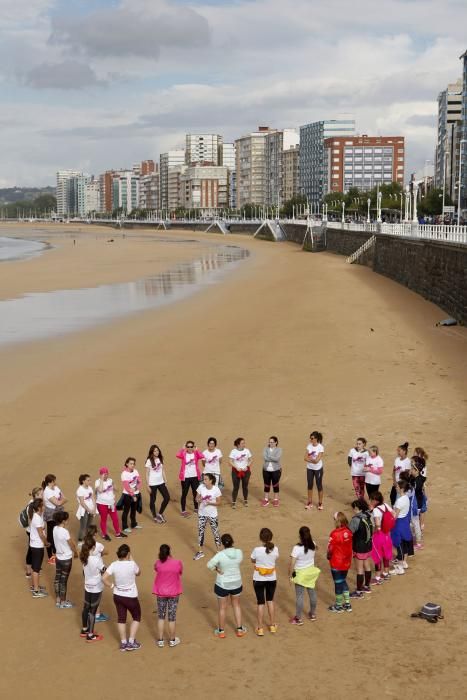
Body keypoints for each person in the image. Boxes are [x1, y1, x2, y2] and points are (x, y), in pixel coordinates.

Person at [103, 544, 142, 652]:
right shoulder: (132, 564)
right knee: (136, 617)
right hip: (131, 597)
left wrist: (111, 586)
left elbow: (104, 578)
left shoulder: (114, 565)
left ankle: (124, 643)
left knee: (121, 619)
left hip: (118, 596)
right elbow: (138, 573)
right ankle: (131, 641)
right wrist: (131, 557)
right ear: (128, 554)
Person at [207, 533, 246, 638]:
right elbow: (239, 561)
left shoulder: (220, 555)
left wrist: (217, 569)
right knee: (236, 605)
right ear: (232, 541)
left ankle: (221, 631)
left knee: (222, 608)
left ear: (222, 544)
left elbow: (209, 564)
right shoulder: (239, 552)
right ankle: (239, 629)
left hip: (222, 584)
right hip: (236, 583)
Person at [152, 544, 183, 648]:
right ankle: (172, 640)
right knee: (172, 618)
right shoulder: (177, 563)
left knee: (161, 617)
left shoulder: (158, 563)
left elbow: (156, 569)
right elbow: (180, 572)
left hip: (161, 593)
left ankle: (160, 640)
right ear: (169, 552)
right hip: (173, 593)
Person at [288, 526, 320, 625]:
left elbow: (292, 563)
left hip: (300, 575)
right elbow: (316, 548)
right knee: (312, 593)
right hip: (310, 573)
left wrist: (290, 575)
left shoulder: (296, 548)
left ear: (300, 536)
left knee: (300, 596)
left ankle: (298, 618)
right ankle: (313, 614)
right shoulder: (313, 544)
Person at [250, 528, 279, 636]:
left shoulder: (257, 550)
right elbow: (275, 558)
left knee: (260, 602)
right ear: (271, 537)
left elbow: (252, 560)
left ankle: (260, 628)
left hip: (258, 579)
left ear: (260, 538)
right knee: (270, 601)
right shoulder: (275, 549)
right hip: (272, 579)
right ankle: (272, 625)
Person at [80, 535, 105, 643]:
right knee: (92, 611)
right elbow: (104, 570)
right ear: (94, 547)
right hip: (96, 587)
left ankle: (84, 629)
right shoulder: (96, 560)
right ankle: (90, 635)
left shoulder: (83, 557)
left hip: (87, 585)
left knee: (86, 607)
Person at [327, 512, 353, 613]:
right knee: (343, 580)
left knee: (338, 583)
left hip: (336, 562)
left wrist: (329, 556)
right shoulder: (349, 532)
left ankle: (338, 605)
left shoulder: (334, 534)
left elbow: (330, 549)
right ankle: (347, 604)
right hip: (346, 562)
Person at [53, 511, 79, 608]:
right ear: (63, 521)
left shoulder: (55, 529)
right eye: (67, 519)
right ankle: (63, 602)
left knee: (57, 578)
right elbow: (71, 544)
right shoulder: (65, 532)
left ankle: (58, 600)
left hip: (58, 558)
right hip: (66, 559)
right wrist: (76, 552)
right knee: (63, 580)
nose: (68, 520)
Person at [348, 499, 374, 599]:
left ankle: (358, 592)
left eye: (354, 508)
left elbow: (350, 533)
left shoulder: (355, 520)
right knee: (367, 565)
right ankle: (367, 586)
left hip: (359, 547)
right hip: (368, 545)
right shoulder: (368, 516)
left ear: (358, 508)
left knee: (359, 569)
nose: (353, 510)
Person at [193, 473, 222, 561]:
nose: (204, 481)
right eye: (204, 479)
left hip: (212, 514)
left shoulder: (216, 489)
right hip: (202, 513)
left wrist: (210, 503)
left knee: (215, 532)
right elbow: (196, 499)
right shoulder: (201, 487)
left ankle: (218, 551)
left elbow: (219, 503)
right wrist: (200, 499)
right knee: (201, 532)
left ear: (211, 481)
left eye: (206, 479)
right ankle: (200, 552)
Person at [369, 492, 394, 584]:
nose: (370, 501)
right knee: (385, 554)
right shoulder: (386, 505)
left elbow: (377, 525)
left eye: (371, 499)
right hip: (387, 534)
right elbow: (394, 514)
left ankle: (378, 578)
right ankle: (386, 573)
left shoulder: (376, 511)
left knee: (377, 556)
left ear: (375, 501)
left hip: (378, 535)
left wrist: (373, 533)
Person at [389, 480, 413, 575]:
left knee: (399, 545)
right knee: (405, 544)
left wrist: (388, 511)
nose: (396, 488)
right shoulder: (406, 498)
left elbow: (395, 516)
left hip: (398, 524)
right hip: (404, 523)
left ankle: (400, 568)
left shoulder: (399, 501)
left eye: (397, 487)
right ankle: (403, 563)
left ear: (402, 489)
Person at [42, 474, 67, 564]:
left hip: (57, 513)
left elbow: (64, 498)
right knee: (51, 536)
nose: (55, 482)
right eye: (53, 481)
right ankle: (51, 556)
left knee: (56, 533)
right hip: (51, 515)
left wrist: (60, 501)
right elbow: (58, 503)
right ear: (49, 482)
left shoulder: (56, 488)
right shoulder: (47, 492)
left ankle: (56, 553)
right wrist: (61, 501)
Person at [95, 467, 125, 541]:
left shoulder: (110, 480)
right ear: (100, 475)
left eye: (107, 474)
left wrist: (114, 484)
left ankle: (118, 533)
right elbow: (100, 490)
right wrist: (102, 480)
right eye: (104, 474)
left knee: (115, 519)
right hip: (102, 504)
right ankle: (104, 534)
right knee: (104, 519)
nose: (106, 475)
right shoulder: (97, 482)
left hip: (111, 504)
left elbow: (116, 489)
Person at [176, 441, 204, 517]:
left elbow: (202, 456)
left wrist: (197, 450)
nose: (190, 448)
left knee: (195, 493)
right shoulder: (184, 454)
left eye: (191, 446)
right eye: (188, 446)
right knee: (184, 494)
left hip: (195, 477)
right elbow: (177, 455)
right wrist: (182, 449)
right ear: (186, 447)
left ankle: (196, 508)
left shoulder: (195, 454)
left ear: (193, 447)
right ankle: (183, 510)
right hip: (185, 477)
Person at [29, 498, 49, 598]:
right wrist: (46, 543)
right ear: (39, 508)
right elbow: (41, 534)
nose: (44, 507)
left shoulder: (37, 516)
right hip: (37, 546)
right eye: (43, 505)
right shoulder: (37, 518)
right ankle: (36, 591)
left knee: (35, 567)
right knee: (36, 568)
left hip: (35, 545)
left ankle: (34, 586)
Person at [145, 444, 170, 524]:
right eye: (155, 451)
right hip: (152, 484)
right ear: (152, 452)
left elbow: (162, 470)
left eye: (157, 450)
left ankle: (159, 513)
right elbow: (147, 473)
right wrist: (147, 485)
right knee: (153, 500)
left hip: (161, 482)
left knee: (167, 497)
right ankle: (155, 516)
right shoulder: (149, 461)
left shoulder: (160, 459)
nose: (156, 452)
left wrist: (165, 480)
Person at [21, 486, 43, 579]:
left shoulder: (37, 502)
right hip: (32, 531)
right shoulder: (31, 505)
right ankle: (28, 570)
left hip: (35, 530)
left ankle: (35, 566)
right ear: (37, 495)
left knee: (33, 549)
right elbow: (31, 521)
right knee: (31, 549)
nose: (43, 495)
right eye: (41, 494)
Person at [229, 437, 253, 508]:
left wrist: (247, 466)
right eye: (242, 443)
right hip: (236, 471)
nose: (244, 444)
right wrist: (236, 467)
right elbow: (230, 461)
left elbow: (251, 460)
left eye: (244, 443)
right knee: (236, 487)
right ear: (238, 444)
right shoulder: (233, 451)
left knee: (245, 486)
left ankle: (245, 500)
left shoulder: (247, 451)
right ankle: (233, 502)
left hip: (245, 471)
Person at [121, 457, 142, 534]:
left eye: (133, 464)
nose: (132, 465)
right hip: (127, 495)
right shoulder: (124, 474)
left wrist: (136, 488)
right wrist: (133, 496)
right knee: (126, 511)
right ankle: (124, 526)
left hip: (136, 493)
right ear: (127, 464)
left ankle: (134, 524)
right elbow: (126, 487)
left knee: (133, 510)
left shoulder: (136, 471)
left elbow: (139, 482)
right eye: (131, 463)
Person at [304, 431, 324, 510]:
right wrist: (312, 460)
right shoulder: (309, 446)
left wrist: (310, 459)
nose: (310, 440)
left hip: (318, 469)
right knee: (309, 485)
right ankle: (309, 502)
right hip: (310, 468)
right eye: (310, 438)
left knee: (319, 485)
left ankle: (320, 503)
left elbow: (317, 460)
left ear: (316, 439)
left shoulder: (320, 447)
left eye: (312, 438)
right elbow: (305, 457)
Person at [409, 457, 426, 549]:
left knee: (415, 522)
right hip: (416, 503)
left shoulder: (417, 481)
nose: (411, 470)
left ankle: (418, 542)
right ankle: (417, 539)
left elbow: (414, 490)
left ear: (416, 470)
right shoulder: (416, 478)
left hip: (416, 505)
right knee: (414, 522)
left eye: (412, 469)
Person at [261, 436, 282, 507]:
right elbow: (264, 457)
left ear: (276, 442)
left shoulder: (279, 449)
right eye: (270, 442)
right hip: (266, 470)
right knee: (266, 484)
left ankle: (276, 499)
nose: (271, 443)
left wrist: (269, 456)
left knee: (275, 484)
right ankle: (266, 499)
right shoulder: (265, 449)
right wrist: (273, 457)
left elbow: (277, 459)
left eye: (272, 442)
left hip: (276, 470)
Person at [76, 474, 96, 545]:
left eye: (90, 480)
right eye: (88, 480)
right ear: (83, 481)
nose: (90, 482)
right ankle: (80, 540)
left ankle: (87, 539)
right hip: (84, 511)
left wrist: (94, 508)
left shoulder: (90, 488)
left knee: (89, 525)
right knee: (83, 526)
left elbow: (93, 498)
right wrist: (89, 510)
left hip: (91, 509)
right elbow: (82, 502)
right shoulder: (80, 490)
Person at [390, 442, 410, 506]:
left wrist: (401, 484)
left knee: (399, 499)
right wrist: (394, 481)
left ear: (404, 451)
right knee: (392, 496)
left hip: (402, 484)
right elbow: (393, 471)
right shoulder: (397, 459)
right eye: (397, 451)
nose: (398, 452)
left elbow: (406, 475)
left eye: (399, 451)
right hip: (396, 483)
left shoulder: (408, 461)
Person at [413, 447, 429, 530]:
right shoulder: (419, 463)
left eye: (414, 453)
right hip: (420, 487)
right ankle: (420, 525)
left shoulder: (420, 465)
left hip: (420, 488)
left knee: (421, 507)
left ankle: (421, 525)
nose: (413, 454)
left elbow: (421, 480)